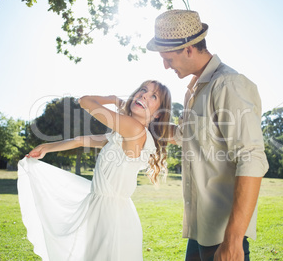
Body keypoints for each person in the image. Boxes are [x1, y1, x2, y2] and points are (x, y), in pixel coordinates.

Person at [146, 10, 269, 261]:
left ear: (189, 49)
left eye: (168, 58)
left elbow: (251, 158)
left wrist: (233, 240)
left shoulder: (228, 84)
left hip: (224, 235)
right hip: (200, 229)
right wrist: (140, 121)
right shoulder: (193, 92)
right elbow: (183, 135)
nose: (165, 66)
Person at [17, 80, 171, 261]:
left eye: (153, 96)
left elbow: (85, 102)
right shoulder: (122, 133)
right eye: (143, 90)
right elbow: (81, 140)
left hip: (111, 216)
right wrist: (48, 147)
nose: (144, 95)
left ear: (158, 114)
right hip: (103, 210)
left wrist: (113, 99)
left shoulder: (135, 129)